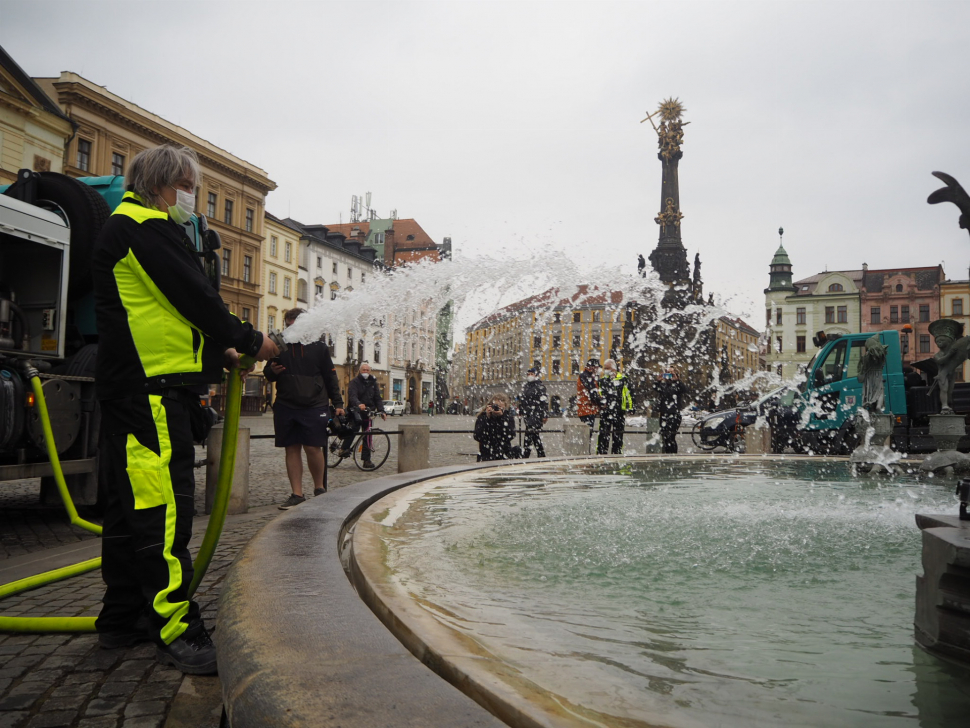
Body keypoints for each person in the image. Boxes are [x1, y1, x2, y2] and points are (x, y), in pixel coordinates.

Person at [91, 145, 278, 674]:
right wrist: (249, 339)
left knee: (130, 513)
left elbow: (168, 312)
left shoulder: (134, 228)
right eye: (189, 188)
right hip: (147, 395)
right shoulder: (144, 228)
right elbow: (195, 297)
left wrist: (219, 352)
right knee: (163, 513)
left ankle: (121, 618)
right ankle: (177, 630)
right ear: (165, 184)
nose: (193, 199)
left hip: (138, 389)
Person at [264, 308, 345, 509]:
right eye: (288, 324)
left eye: (295, 325)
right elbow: (268, 372)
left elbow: (330, 376)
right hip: (286, 403)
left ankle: (319, 488)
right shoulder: (278, 346)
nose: (291, 329)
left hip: (314, 404)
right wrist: (271, 371)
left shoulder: (318, 347)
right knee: (291, 449)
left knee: (313, 448)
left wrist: (338, 404)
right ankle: (297, 494)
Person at [341, 362, 387, 468]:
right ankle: (344, 448)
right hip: (356, 411)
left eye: (367, 370)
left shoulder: (373, 383)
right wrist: (358, 404)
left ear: (370, 371)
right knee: (354, 429)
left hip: (368, 412)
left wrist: (382, 411)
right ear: (360, 371)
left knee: (367, 435)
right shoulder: (354, 382)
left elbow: (377, 398)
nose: (365, 372)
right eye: (363, 370)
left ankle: (366, 460)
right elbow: (352, 396)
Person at [597, 359, 632, 454]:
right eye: (604, 368)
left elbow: (629, 394)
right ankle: (601, 453)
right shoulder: (602, 380)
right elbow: (599, 394)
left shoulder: (623, 379)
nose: (605, 370)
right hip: (606, 411)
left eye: (607, 368)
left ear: (613, 369)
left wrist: (631, 407)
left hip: (619, 410)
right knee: (603, 434)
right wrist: (600, 403)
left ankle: (616, 453)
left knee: (618, 435)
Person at [653, 366, 687, 453]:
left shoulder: (678, 385)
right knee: (665, 437)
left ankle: (672, 455)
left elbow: (684, 390)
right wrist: (658, 381)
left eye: (671, 374)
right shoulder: (664, 385)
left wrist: (677, 380)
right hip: (664, 414)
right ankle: (666, 455)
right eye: (667, 373)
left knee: (671, 437)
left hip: (674, 414)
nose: (669, 376)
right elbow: (656, 388)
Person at [474, 393, 517, 461]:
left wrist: (502, 418)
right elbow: (477, 436)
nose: (497, 409)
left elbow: (511, 435)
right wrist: (487, 418)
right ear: (490, 406)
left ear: (505, 407)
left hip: (504, 455)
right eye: (496, 406)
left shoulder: (508, 418)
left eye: (500, 407)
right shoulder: (483, 417)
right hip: (486, 455)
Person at [520, 367, 548, 458]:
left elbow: (544, 402)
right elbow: (523, 400)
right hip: (528, 414)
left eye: (532, 374)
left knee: (530, 434)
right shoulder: (527, 386)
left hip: (536, 413)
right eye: (528, 374)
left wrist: (544, 415)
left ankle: (526, 454)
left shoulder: (540, 386)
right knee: (533, 435)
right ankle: (540, 454)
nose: (529, 376)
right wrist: (521, 410)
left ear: (536, 375)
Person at [577, 358, 601, 446]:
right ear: (592, 367)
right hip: (586, 409)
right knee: (586, 434)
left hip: (588, 409)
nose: (598, 370)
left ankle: (585, 451)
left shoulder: (589, 376)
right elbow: (592, 392)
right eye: (597, 367)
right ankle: (585, 452)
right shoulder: (586, 376)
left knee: (587, 434)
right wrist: (601, 403)